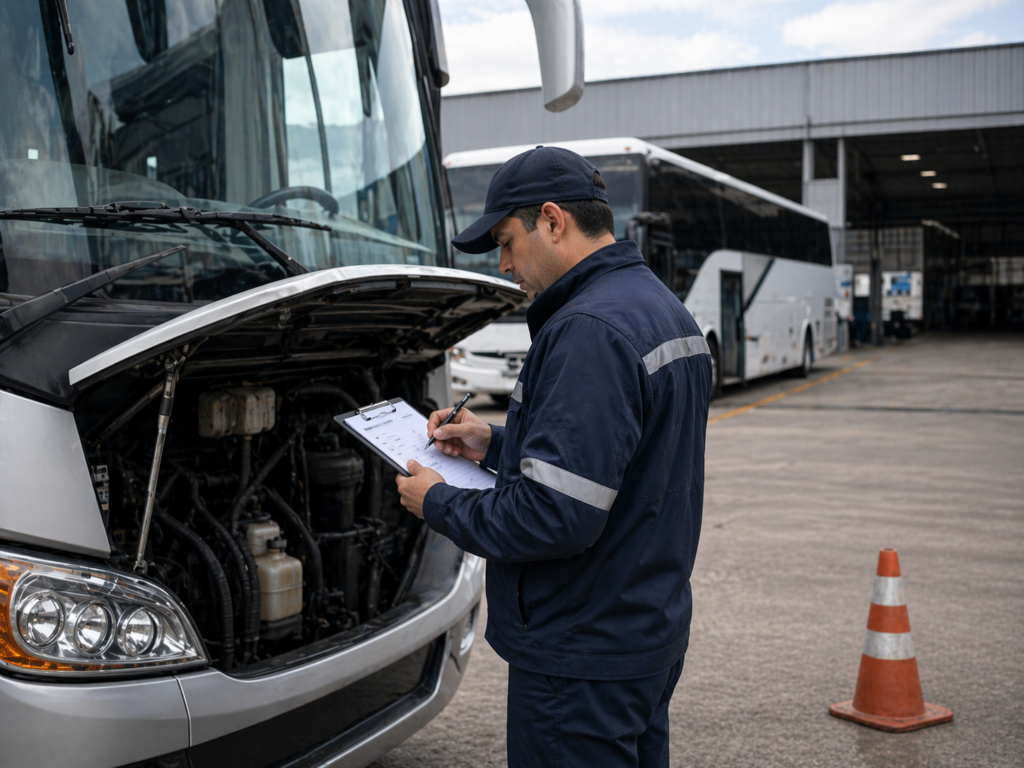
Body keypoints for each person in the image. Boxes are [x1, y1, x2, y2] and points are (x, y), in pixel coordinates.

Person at [396, 146, 711, 767]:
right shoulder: (658, 307)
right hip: (644, 630)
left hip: (580, 653)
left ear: (552, 220)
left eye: (508, 243)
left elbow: (552, 516)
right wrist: (495, 444)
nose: (507, 265)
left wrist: (437, 501)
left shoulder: (587, 330)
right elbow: (625, 460)